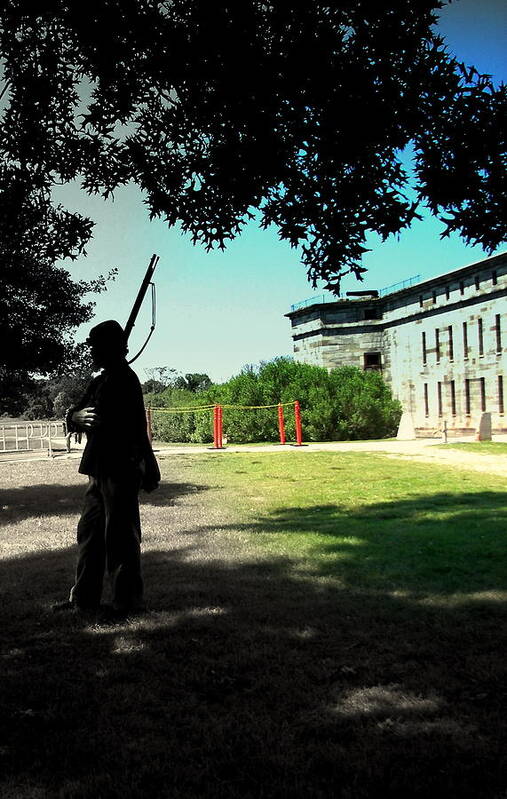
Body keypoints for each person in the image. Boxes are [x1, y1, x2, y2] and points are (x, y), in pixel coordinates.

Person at [54, 320, 160, 619]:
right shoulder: (101, 380)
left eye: (96, 347)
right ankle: (84, 599)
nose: (92, 352)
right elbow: (75, 410)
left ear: (113, 348)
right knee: (89, 534)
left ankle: (127, 603)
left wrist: (149, 465)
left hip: (121, 468)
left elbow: (138, 429)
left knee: (121, 537)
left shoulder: (124, 379)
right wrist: (74, 415)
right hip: (98, 469)